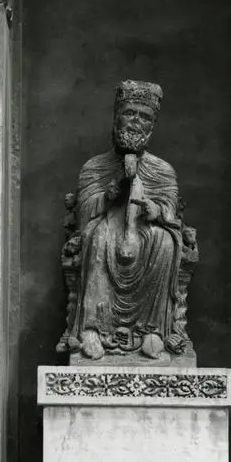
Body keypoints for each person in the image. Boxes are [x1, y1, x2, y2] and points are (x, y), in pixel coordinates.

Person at [66, 80, 187, 361]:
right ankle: (92, 329)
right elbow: (83, 215)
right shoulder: (95, 167)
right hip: (107, 226)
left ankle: (153, 330)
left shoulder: (162, 170)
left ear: (152, 126)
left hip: (145, 232)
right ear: (116, 118)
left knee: (165, 242)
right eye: (129, 113)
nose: (135, 121)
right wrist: (109, 195)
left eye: (144, 117)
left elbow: (171, 211)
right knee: (99, 237)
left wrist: (155, 211)